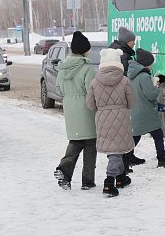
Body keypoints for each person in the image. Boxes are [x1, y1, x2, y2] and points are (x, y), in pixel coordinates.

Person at [86, 48, 136, 197]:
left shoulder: (95, 82)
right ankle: (109, 182)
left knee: (114, 149)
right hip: (121, 116)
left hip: (102, 117)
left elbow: (90, 104)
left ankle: (120, 178)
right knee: (116, 150)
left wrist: (102, 109)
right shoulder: (125, 80)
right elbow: (132, 102)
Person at [53, 31, 97, 191]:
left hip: (70, 109)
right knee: (90, 144)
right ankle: (87, 181)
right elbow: (91, 92)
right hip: (86, 109)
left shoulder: (63, 68)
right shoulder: (87, 69)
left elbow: (58, 88)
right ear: (85, 50)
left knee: (76, 141)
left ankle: (64, 172)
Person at [126, 48, 165, 168]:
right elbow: (150, 95)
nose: (152, 64)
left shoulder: (132, 75)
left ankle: (126, 157)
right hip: (146, 111)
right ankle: (162, 159)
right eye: (151, 62)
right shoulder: (144, 76)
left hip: (136, 110)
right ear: (146, 63)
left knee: (136, 135)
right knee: (158, 134)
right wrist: (156, 88)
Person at [110, 26, 142, 169]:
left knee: (127, 130)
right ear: (127, 41)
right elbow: (125, 78)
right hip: (121, 100)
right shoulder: (123, 56)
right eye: (133, 41)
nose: (134, 43)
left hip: (118, 99)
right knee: (125, 131)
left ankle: (129, 156)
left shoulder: (120, 52)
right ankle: (125, 161)